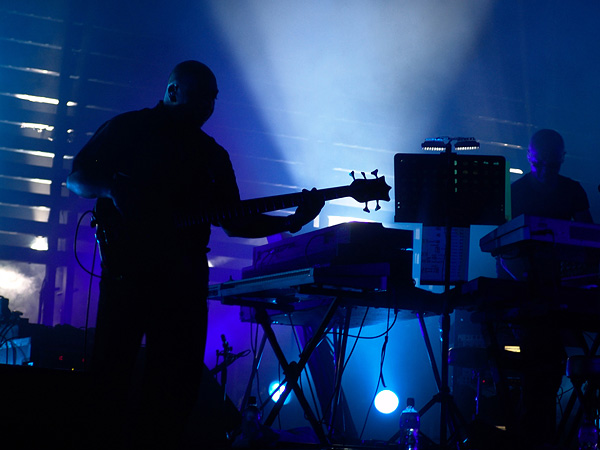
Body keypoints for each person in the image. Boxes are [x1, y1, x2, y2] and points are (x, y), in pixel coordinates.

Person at [66, 60, 323, 449]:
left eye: (213, 99)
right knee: (111, 378)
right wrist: (115, 191)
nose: (208, 106)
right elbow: (77, 177)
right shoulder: (129, 128)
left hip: (183, 282)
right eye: (201, 96)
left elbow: (234, 221)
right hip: (129, 276)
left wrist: (291, 221)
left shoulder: (212, 155)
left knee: (175, 388)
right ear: (173, 91)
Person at [511, 128, 593, 223]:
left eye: (552, 165)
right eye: (539, 164)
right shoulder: (573, 190)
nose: (545, 171)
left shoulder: (514, 192)